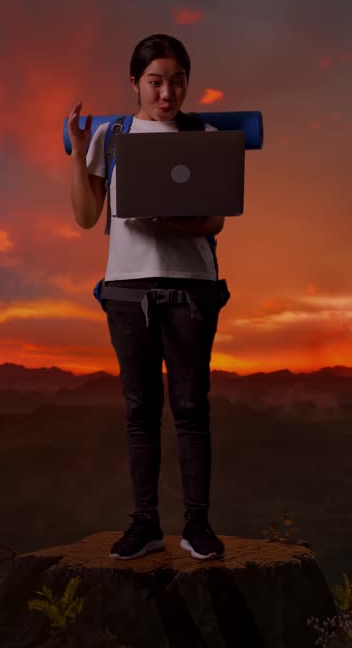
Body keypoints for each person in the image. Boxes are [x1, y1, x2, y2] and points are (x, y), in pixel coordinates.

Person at [67, 33, 227, 561]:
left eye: (177, 81)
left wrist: (175, 219)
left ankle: (197, 527)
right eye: (156, 82)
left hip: (191, 286)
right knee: (140, 411)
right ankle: (145, 526)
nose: (167, 93)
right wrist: (75, 149)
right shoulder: (111, 137)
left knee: (189, 408)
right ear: (134, 82)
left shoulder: (201, 134)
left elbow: (216, 219)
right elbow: (88, 217)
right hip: (126, 286)